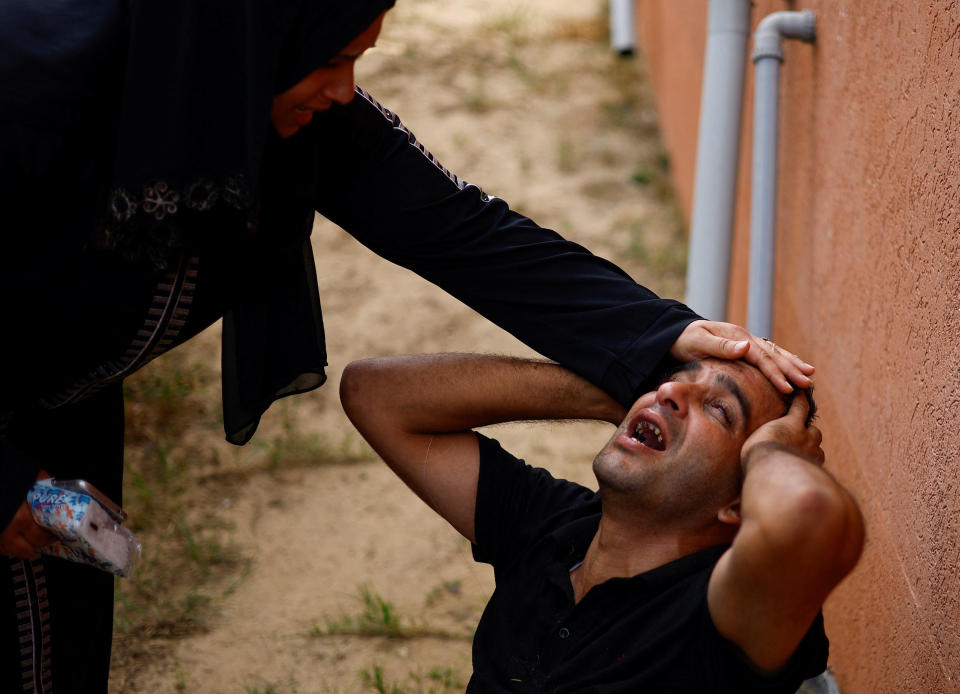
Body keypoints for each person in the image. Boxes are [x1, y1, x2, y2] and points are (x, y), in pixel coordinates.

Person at [0, 1, 814, 691]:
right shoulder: (33, 88)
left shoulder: (274, 101)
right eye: (335, 57)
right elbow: (382, 395)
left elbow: (464, 230)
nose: (344, 88)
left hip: (57, 410)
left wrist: (651, 337)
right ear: (262, 31)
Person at [340, 352, 864, 692]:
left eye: (720, 409)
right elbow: (374, 394)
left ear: (741, 503)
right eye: (672, 381)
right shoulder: (558, 524)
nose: (668, 393)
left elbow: (810, 515)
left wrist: (774, 451)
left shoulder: (719, 611)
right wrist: (612, 391)